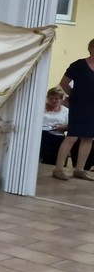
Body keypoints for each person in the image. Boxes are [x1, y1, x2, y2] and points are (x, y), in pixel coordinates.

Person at [54, 39, 94, 181]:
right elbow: (64, 83)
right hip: (78, 105)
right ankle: (58, 169)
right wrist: (74, 96)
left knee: (89, 137)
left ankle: (79, 169)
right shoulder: (78, 65)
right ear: (91, 49)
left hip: (92, 107)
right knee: (72, 136)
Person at [39, 87, 69, 165]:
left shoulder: (66, 111)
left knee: (57, 140)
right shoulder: (40, 108)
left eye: (56, 98)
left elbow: (70, 126)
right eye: (51, 98)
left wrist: (62, 127)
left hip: (57, 135)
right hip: (41, 133)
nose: (53, 100)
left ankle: (51, 163)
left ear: (61, 99)